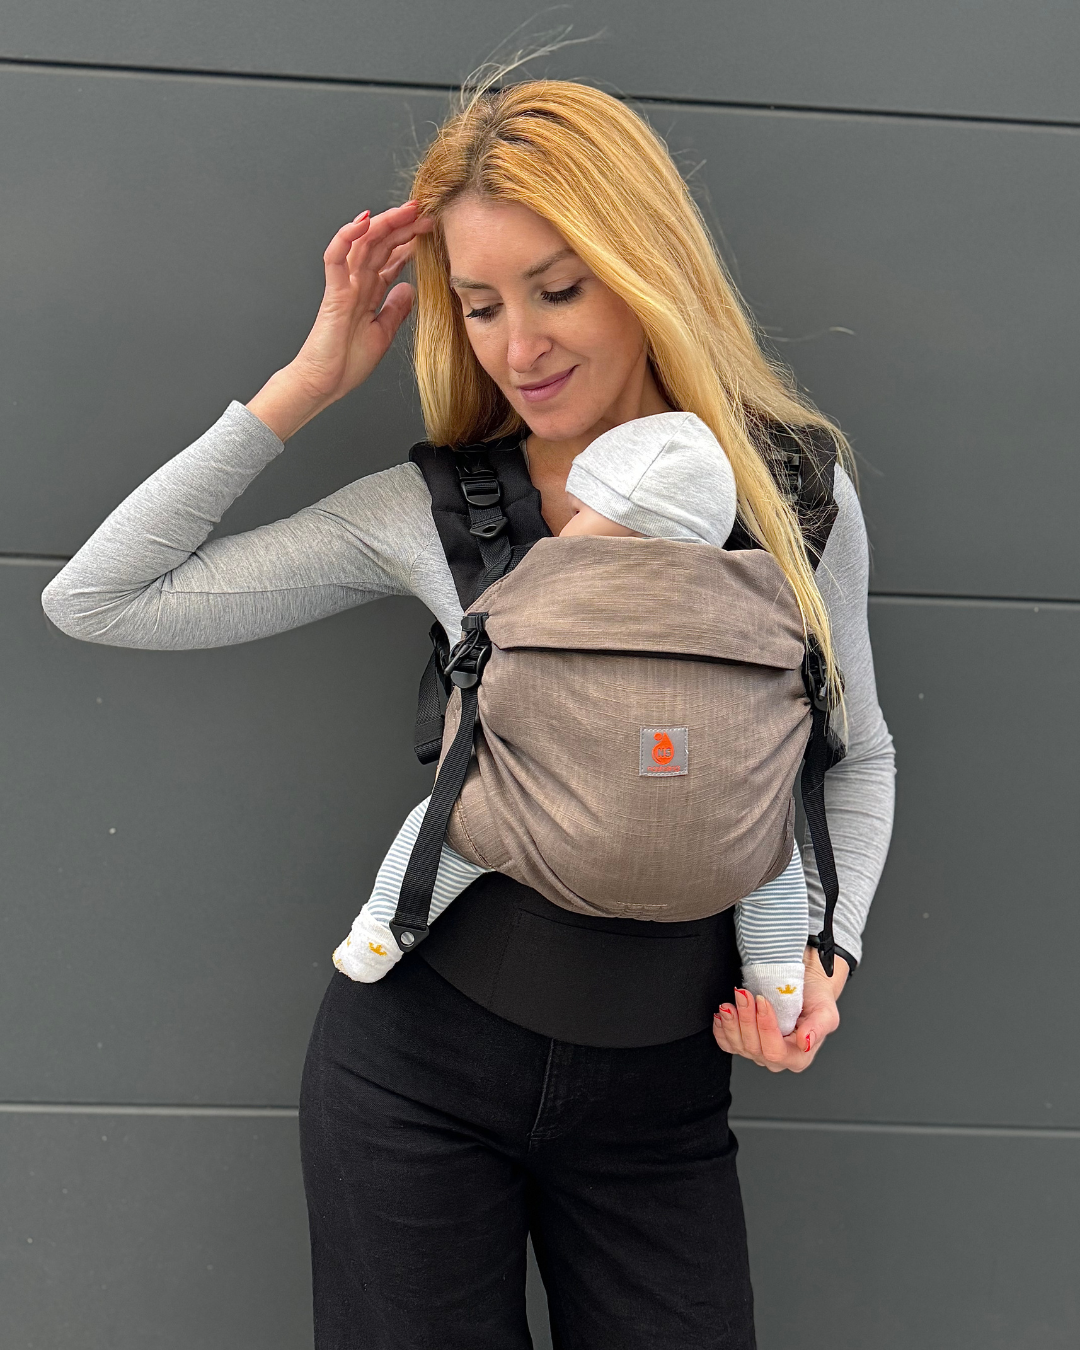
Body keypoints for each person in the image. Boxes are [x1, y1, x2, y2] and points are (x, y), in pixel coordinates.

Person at [41, 76, 894, 1350]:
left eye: (558, 290)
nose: (517, 347)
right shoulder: (440, 510)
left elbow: (855, 753)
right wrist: (306, 384)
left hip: (662, 1098)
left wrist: (826, 949)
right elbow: (101, 599)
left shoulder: (790, 492)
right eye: (481, 304)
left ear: (646, 272)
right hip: (415, 1080)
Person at [333, 409, 813, 1034]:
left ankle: (383, 932)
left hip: (534, 865)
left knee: (448, 821)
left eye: (583, 508)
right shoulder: (766, 599)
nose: (567, 523)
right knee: (775, 848)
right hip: (724, 868)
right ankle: (778, 984)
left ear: (614, 513)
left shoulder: (542, 575)